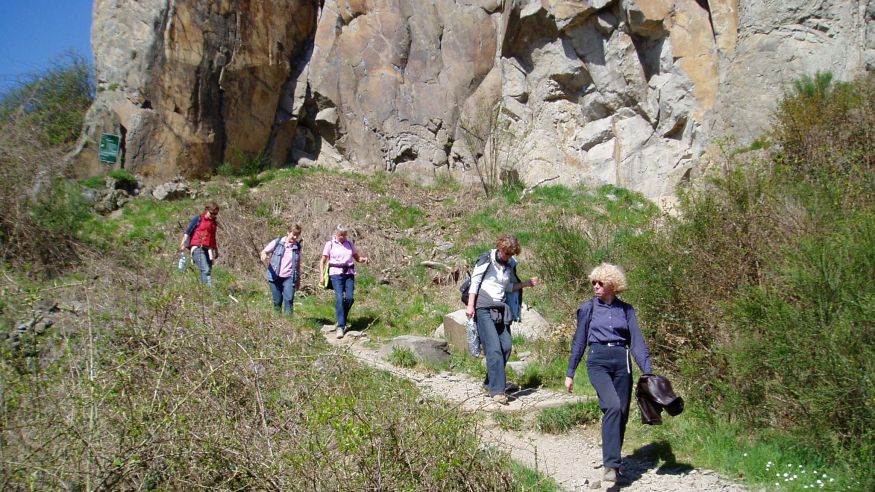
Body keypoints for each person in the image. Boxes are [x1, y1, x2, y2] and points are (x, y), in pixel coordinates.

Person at [565, 263, 653, 484]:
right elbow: (579, 341)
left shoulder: (627, 310)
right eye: (593, 282)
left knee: (621, 413)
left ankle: (614, 463)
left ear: (613, 285)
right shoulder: (588, 309)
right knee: (612, 406)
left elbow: (637, 343)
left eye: (600, 283)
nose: (595, 286)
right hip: (598, 361)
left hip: (622, 362)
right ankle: (611, 466)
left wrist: (648, 372)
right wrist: (570, 371)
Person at [465, 234, 540, 405]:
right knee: (494, 349)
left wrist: (526, 284)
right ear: (500, 249)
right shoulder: (486, 259)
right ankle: (497, 391)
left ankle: (490, 382)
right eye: (506, 253)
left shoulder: (510, 264)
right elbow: (475, 282)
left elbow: (508, 287)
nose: (508, 257)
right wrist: (470, 306)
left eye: (511, 254)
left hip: (501, 309)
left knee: (506, 347)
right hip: (483, 307)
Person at [320, 225, 369, 339]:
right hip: (335, 274)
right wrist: (321, 276)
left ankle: (340, 318)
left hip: (349, 274)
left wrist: (363, 260)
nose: (342, 237)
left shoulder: (349, 244)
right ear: (336, 234)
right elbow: (322, 261)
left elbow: (357, 258)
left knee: (350, 298)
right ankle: (341, 327)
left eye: (344, 235)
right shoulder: (330, 244)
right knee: (339, 298)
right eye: (340, 235)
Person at [260, 224, 303, 315]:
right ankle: (278, 321)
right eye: (293, 234)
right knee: (277, 301)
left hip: (289, 277)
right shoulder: (278, 242)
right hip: (275, 276)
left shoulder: (297, 248)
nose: (295, 237)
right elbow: (264, 251)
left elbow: (298, 264)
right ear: (288, 232)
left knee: (289, 299)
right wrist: (264, 255)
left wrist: (298, 280)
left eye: (297, 235)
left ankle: (289, 323)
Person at [179, 202, 220, 286]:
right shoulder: (198, 219)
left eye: (215, 214)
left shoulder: (214, 223)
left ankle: (204, 290)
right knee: (205, 269)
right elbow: (187, 231)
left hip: (208, 249)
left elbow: (213, 238)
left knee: (208, 271)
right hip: (197, 247)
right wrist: (182, 244)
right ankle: (207, 290)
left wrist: (216, 250)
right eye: (211, 213)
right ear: (206, 210)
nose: (212, 215)